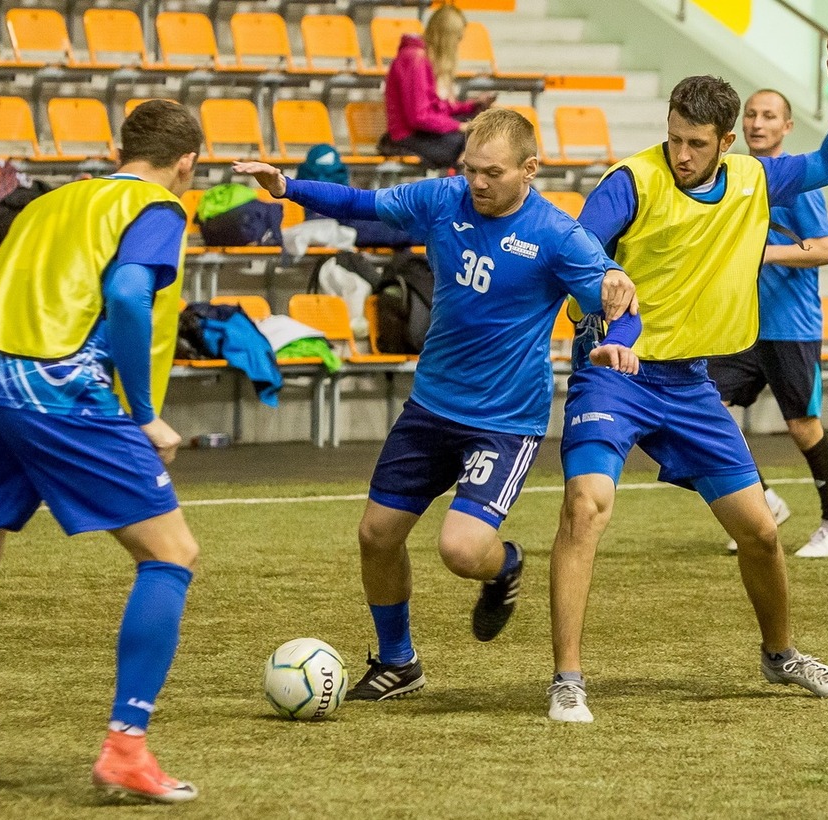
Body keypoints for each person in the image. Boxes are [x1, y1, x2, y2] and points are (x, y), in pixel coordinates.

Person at [235, 107, 640, 702]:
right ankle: (399, 663)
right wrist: (287, 188)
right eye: (470, 169)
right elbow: (359, 205)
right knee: (375, 535)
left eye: (492, 173)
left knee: (460, 549)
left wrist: (618, 344)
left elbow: (619, 301)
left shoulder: (558, 235)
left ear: (530, 169)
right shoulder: (443, 198)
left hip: (504, 421)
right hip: (431, 408)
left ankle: (503, 567)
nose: (476, 182)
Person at [0, 100, 204, 802]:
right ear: (186, 164)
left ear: (122, 147)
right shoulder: (158, 207)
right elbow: (130, 296)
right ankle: (126, 747)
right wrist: (143, 414)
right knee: (172, 554)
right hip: (54, 384)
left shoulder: (51, 204)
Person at [548, 27, 828, 724]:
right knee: (585, 505)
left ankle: (780, 658)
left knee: (758, 531)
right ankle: (567, 680)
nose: (682, 155)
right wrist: (601, 326)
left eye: (697, 143)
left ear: (728, 141)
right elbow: (577, 255)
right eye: (675, 139)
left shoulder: (756, 178)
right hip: (616, 373)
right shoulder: (631, 181)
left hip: (692, 384)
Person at [708, 88, 828, 558]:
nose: (757, 122)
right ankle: (764, 502)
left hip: (791, 327)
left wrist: (763, 253)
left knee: (802, 426)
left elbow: (826, 249)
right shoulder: (736, 177)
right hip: (742, 325)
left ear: (787, 127)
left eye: (769, 115)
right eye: (750, 114)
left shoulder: (795, 182)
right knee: (709, 411)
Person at [379, 3, 498, 170]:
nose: (457, 46)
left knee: (484, 125)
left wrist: (473, 106)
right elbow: (419, 117)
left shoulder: (425, 58)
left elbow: (438, 109)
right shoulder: (415, 60)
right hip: (409, 136)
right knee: (475, 143)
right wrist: (459, 126)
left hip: (425, 133)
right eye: (457, 39)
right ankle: (462, 187)